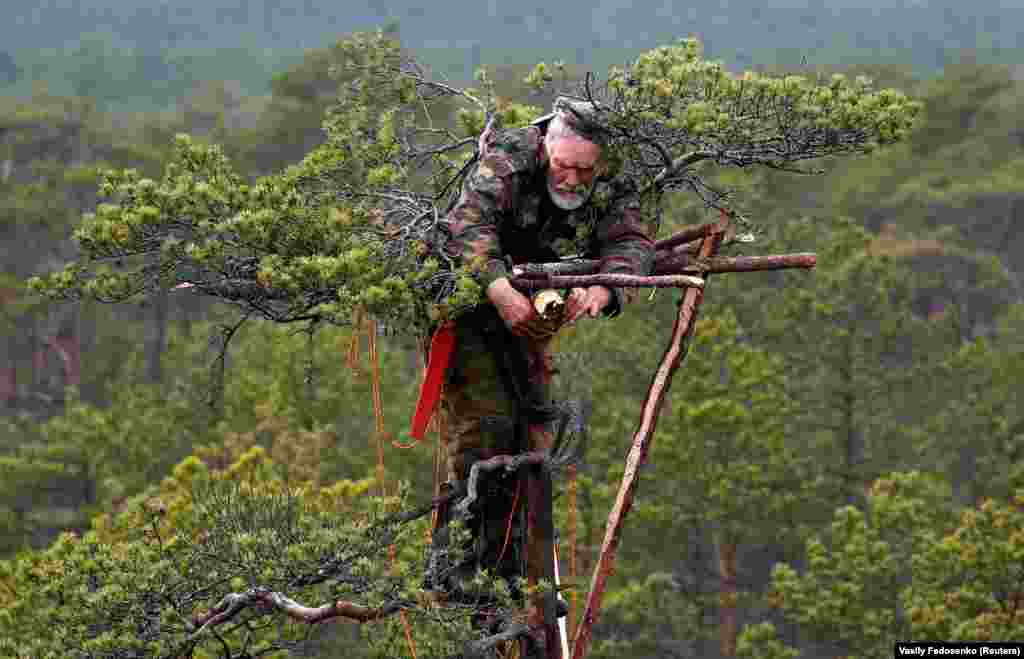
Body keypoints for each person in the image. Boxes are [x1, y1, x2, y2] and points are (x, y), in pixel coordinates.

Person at [429, 96, 654, 645]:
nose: (574, 178)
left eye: (585, 169)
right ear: (546, 143)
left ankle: (518, 578)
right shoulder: (510, 156)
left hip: (533, 307)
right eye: (564, 165)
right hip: (468, 308)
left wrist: (604, 287)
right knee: (486, 436)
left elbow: (631, 240)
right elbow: (467, 227)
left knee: (531, 439)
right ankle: (460, 577)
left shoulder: (609, 173)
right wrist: (500, 291)